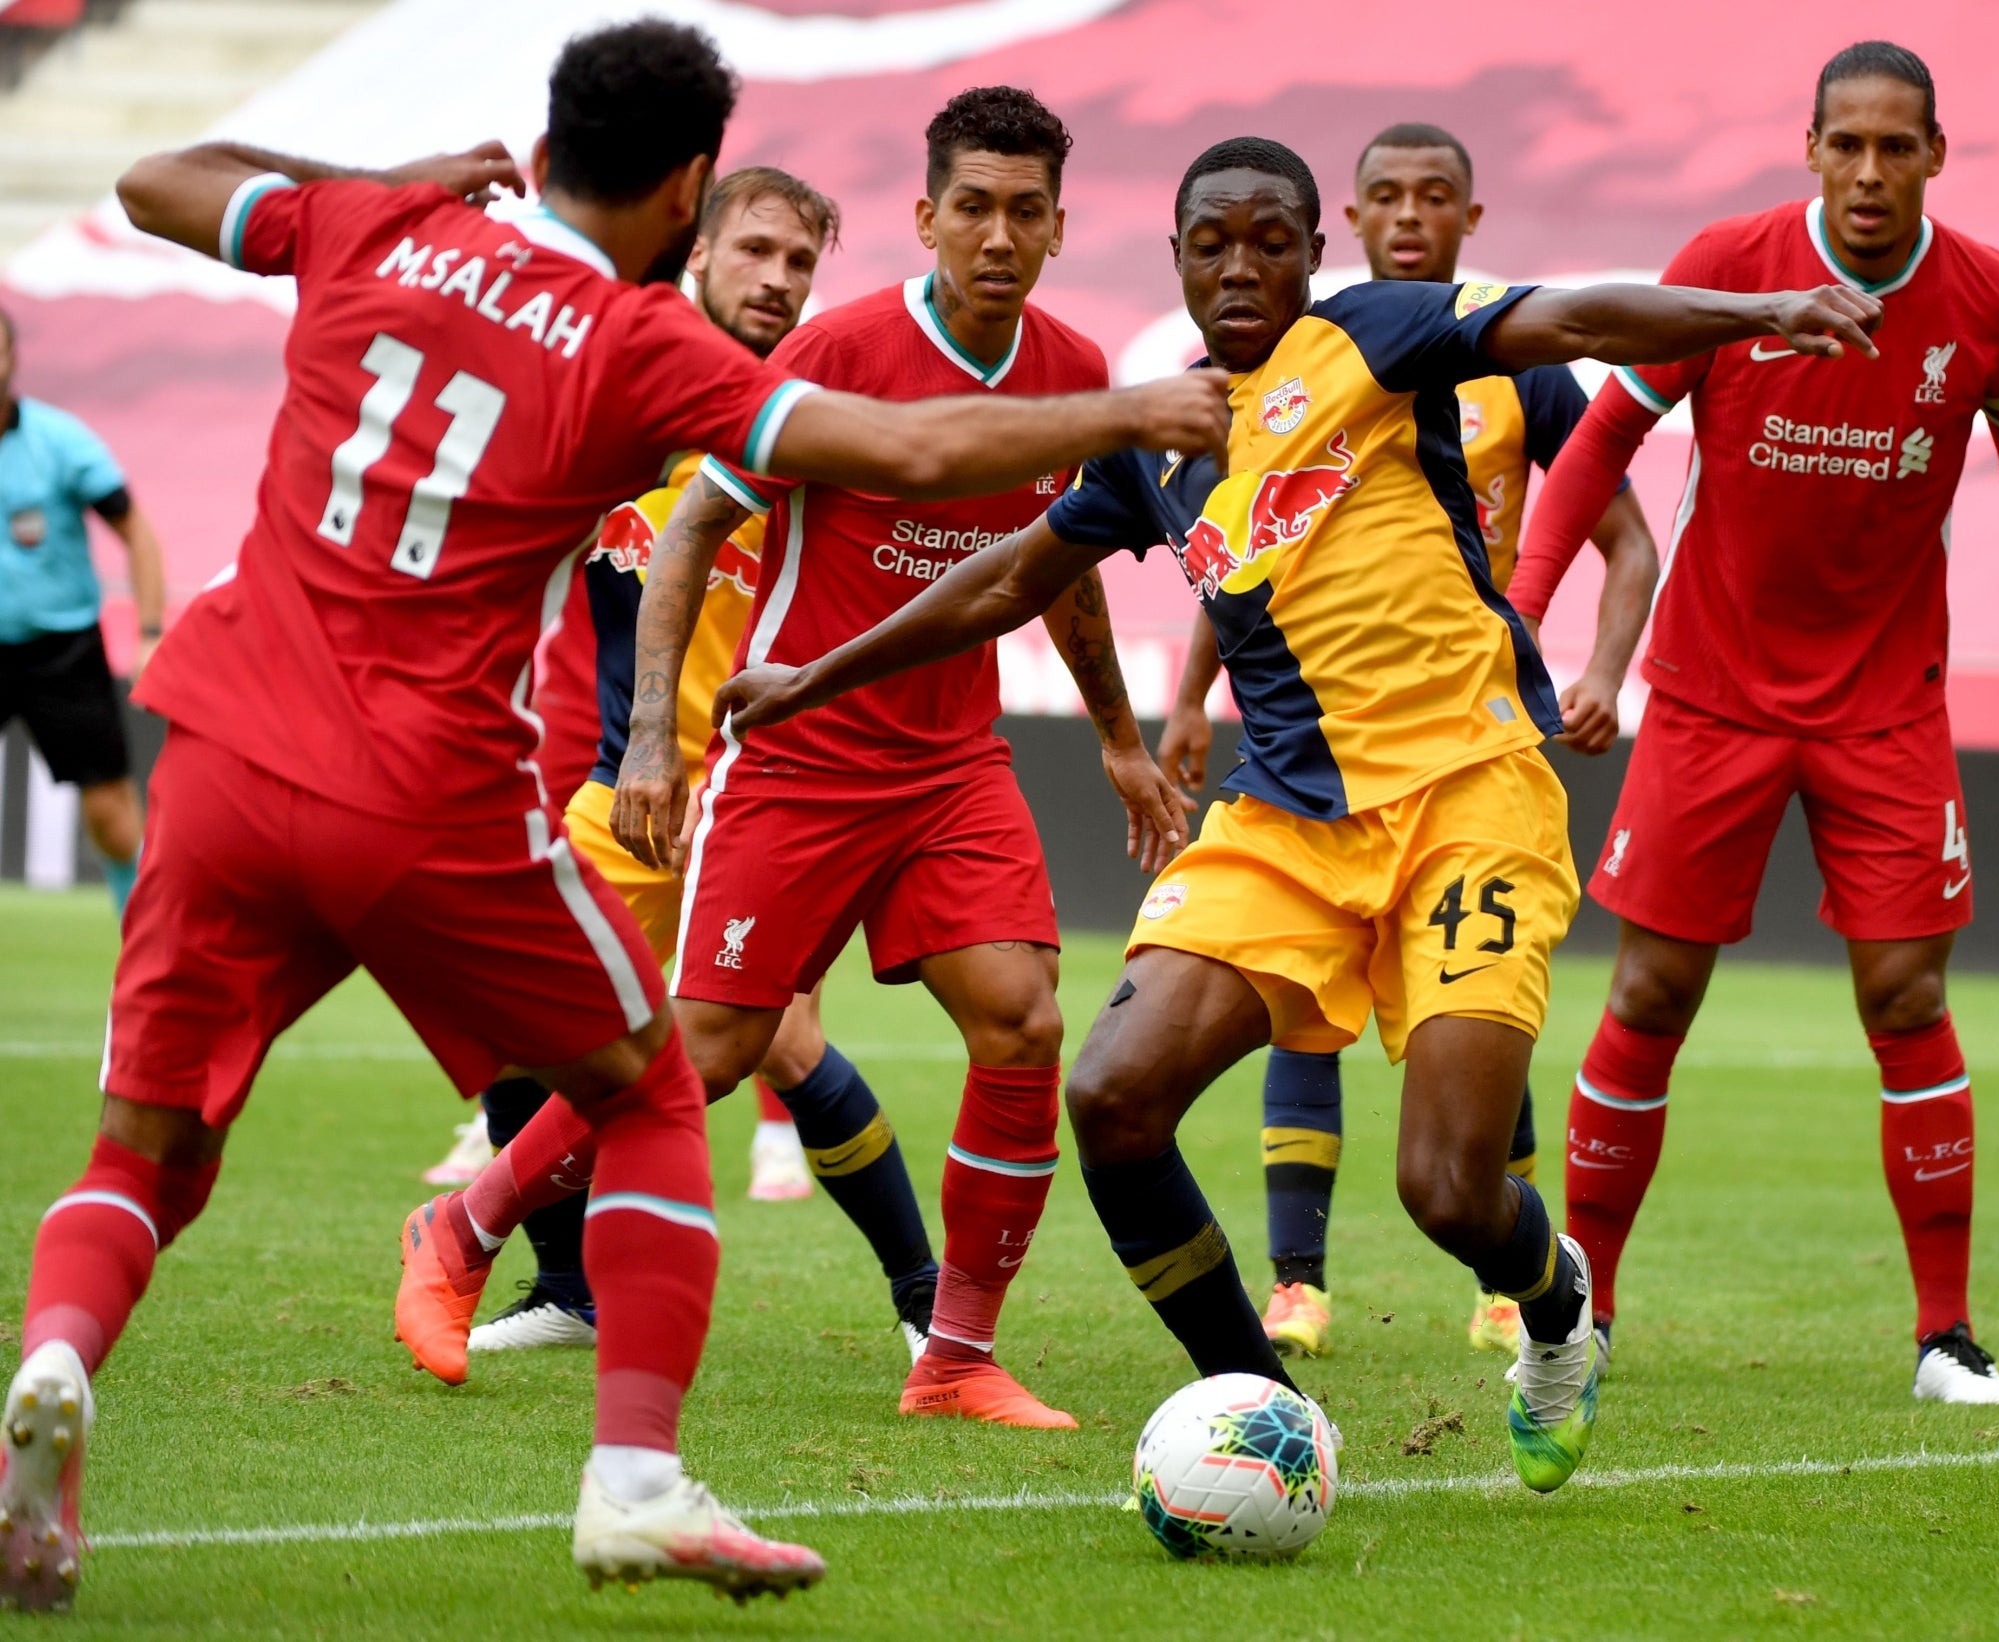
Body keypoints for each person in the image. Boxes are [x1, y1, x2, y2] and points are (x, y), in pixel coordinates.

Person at [0, 18, 1227, 1609]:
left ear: (544, 135)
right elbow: (908, 447)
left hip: (225, 747)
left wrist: (389, 180)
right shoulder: (636, 344)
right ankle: (634, 1478)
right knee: (659, 1085)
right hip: (428, 788)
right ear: (690, 187)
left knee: (146, 1142)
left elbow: (156, 178)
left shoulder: (385, 223)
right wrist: (1126, 419)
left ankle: (54, 1363)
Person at [707, 134, 1883, 1494]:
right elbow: (1005, 578)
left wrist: (1760, 312)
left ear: (1315, 254)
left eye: (1272, 239)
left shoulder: (1377, 334)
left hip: (1468, 793)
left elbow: (1569, 312)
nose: (1242, 265)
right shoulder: (1155, 435)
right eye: (1213, 242)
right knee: (1111, 1093)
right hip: (1285, 821)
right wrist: (812, 674)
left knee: (1445, 1190)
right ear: (1175, 259)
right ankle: (1266, 1414)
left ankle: (1552, 1301)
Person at [405, 86, 1176, 1432]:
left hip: (952, 763)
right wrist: (654, 737)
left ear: (1060, 225)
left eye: (1027, 210)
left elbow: (1064, 572)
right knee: (703, 1050)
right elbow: (693, 532)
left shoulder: (1072, 369)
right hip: (801, 759)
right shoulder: (837, 350)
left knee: (1025, 1018)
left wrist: (1117, 737)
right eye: (975, 207)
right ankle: (462, 1228)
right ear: (926, 216)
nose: (999, 234)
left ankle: (951, 1357)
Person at [1509, 41, 1999, 1408]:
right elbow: (1596, 443)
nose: (1868, 171)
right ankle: (1586, 1314)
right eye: (1845, 145)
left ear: (1934, 153)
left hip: (1883, 708)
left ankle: (1943, 1338)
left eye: (1894, 147)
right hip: (1709, 695)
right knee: (1646, 993)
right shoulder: (1727, 265)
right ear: (1808, 149)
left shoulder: (1990, 302)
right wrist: (1520, 611)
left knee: (1905, 996)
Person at [1151, 121, 1659, 1361]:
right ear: (1358, 226)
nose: (1412, 215)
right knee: (1275, 1015)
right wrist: (1180, 700)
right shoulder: (1244, 392)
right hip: (1314, 748)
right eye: (1389, 195)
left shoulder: (1498, 366)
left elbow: (1625, 534)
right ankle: (1297, 1284)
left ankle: (1519, 1278)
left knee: (1456, 1110)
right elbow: (1251, 563)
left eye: (1438, 195)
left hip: (1465, 733)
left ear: (1469, 219)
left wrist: (1586, 661)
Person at [450, 165, 942, 1360]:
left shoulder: (817, 411)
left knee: (780, 1042)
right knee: (511, 1007)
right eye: (757, 252)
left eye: (799, 264)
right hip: (634, 779)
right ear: (700, 248)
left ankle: (932, 1308)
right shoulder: (621, 400)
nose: (777, 281)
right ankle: (571, 1287)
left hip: (766, 786)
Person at [0, 304, 168, 918]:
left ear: (12, 358)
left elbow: (138, 533)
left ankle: (154, 945)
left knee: (110, 816)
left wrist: (150, 633)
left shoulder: (60, 443)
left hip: (60, 651)